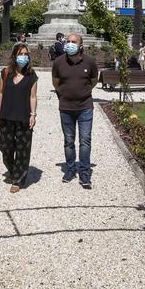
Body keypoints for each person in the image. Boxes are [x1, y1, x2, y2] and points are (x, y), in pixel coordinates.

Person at [52, 33, 99, 189]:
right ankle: (71, 169)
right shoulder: (58, 62)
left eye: (73, 42)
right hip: (66, 108)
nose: (69, 44)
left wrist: (83, 92)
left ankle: (84, 172)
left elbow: (93, 80)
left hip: (85, 107)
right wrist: (65, 94)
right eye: (68, 41)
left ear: (81, 46)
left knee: (85, 140)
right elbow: (56, 83)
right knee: (69, 141)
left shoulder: (90, 62)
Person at [0, 43, 38, 193]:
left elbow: (33, 96)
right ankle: (13, 170)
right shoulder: (5, 72)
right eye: (20, 54)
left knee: (22, 150)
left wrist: (33, 114)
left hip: (23, 118)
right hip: (6, 116)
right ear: (14, 56)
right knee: (5, 148)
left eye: (26, 54)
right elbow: (0, 93)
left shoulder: (31, 75)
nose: (23, 57)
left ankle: (18, 179)